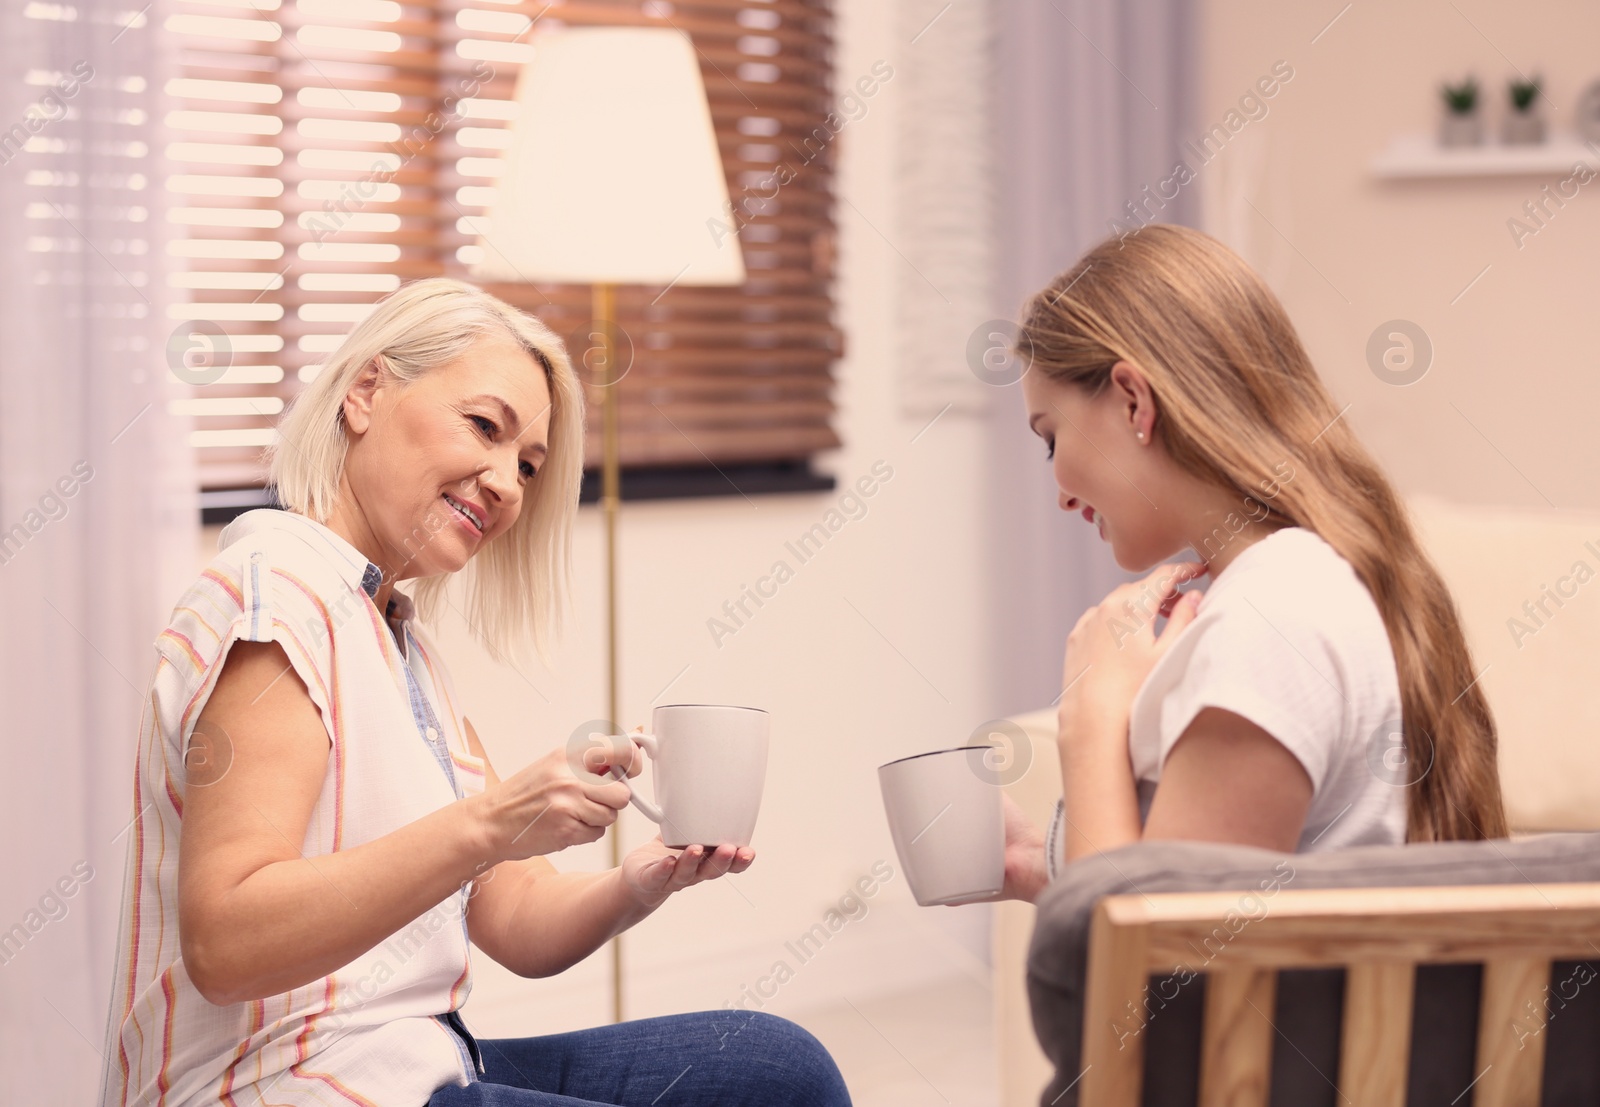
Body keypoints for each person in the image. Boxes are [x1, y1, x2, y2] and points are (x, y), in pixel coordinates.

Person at [96, 278, 852, 1107]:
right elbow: (227, 942)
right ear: (365, 392)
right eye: (484, 427)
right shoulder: (275, 598)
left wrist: (639, 882)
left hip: (415, 1061)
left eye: (527, 465)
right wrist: (489, 820)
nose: (507, 484)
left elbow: (509, 913)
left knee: (779, 1068)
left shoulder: (397, 638)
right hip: (283, 1084)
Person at [991, 225, 1507, 904]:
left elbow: (1147, 994)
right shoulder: (1300, 584)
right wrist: (1036, 860)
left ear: (1132, 400)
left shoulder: (1271, 623)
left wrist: (1092, 719)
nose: (1058, 490)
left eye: (1050, 436)